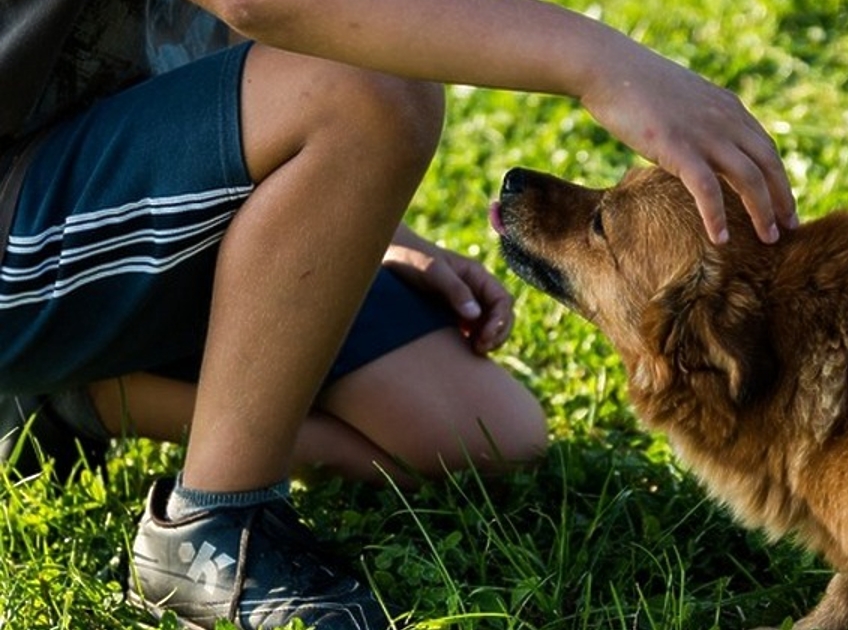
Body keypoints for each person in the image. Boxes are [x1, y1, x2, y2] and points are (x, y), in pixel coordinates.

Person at [0, 0, 797, 628]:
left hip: (115, 180)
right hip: (18, 207)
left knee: (478, 432)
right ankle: (212, 528)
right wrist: (605, 65)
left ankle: (70, 399)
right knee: (374, 89)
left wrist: (357, 220)